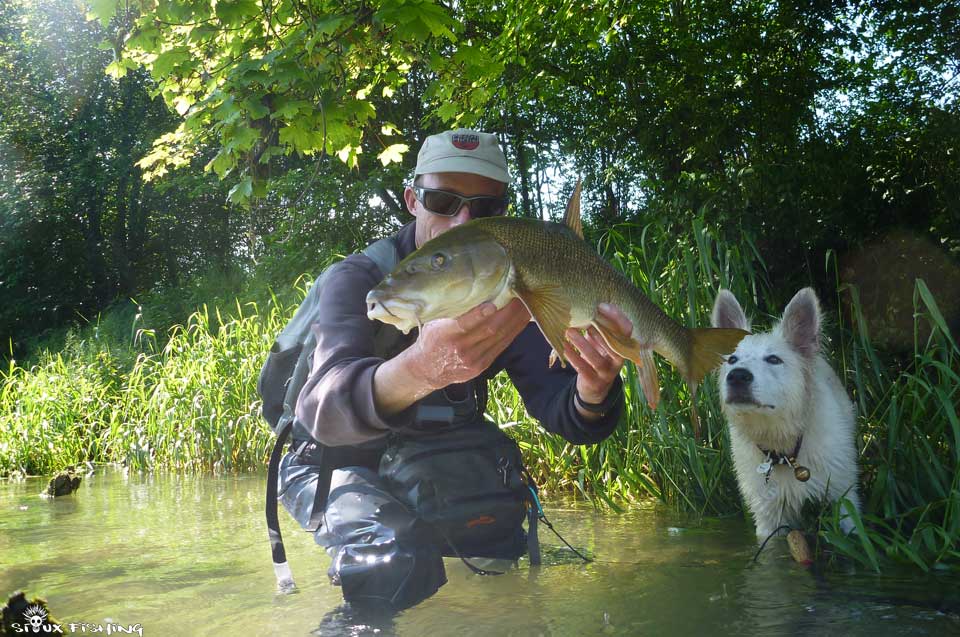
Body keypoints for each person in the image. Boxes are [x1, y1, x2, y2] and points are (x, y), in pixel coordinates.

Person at [276, 129, 632, 611]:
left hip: (432, 447)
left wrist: (592, 391)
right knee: (390, 558)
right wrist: (421, 369)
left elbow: (562, 409)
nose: (461, 220)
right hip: (328, 457)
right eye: (443, 200)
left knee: (498, 534)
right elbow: (324, 415)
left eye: (484, 209)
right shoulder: (359, 279)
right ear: (412, 200)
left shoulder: (505, 284)